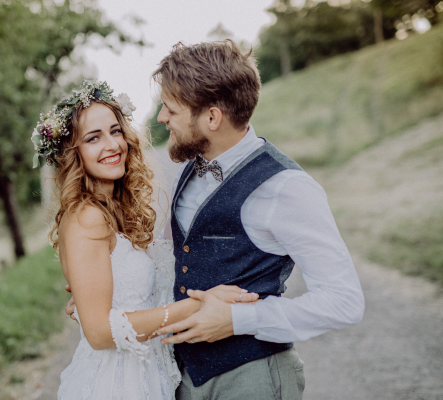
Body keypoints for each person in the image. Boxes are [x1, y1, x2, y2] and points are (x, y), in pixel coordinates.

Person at [146, 40, 365, 399]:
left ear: (212, 118)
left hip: (252, 380)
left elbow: (345, 301)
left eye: (170, 109)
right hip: (183, 379)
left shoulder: (286, 188)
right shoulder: (188, 166)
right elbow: (175, 255)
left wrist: (237, 320)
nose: (161, 118)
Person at [31, 80, 259, 400]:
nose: (112, 145)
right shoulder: (87, 217)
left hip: (145, 378)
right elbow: (98, 333)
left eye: (115, 131)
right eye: (94, 138)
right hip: (114, 385)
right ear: (73, 153)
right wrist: (199, 306)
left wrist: (87, 302)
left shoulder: (113, 210)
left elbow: (120, 295)